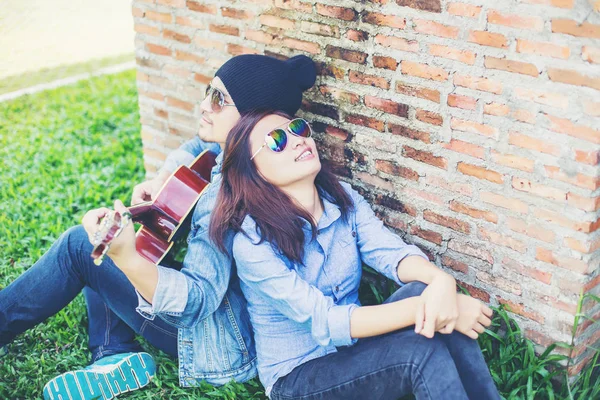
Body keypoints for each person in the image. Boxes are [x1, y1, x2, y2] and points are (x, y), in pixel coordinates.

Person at [0, 54, 317, 400]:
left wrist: (130, 259)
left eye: (219, 100)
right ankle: (113, 353)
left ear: (251, 119)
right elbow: (197, 146)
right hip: (233, 325)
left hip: (219, 345)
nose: (204, 106)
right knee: (109, 236)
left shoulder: (225, 195)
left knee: (80, 245)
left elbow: (197, 299)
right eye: (208, 91)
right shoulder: (251, 158)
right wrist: (164, 176)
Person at [209, 110, 502, 400]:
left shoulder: (342, 199)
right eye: (276, 141)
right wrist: (428, 309)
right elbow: (325, 321)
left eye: (298, 128)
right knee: (419, 348)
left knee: (427, 290)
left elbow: (392, 254)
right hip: (299, 377)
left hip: (355, 347)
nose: (297, 140)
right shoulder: (252, 242)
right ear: (253, 170)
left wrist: (442, 284)